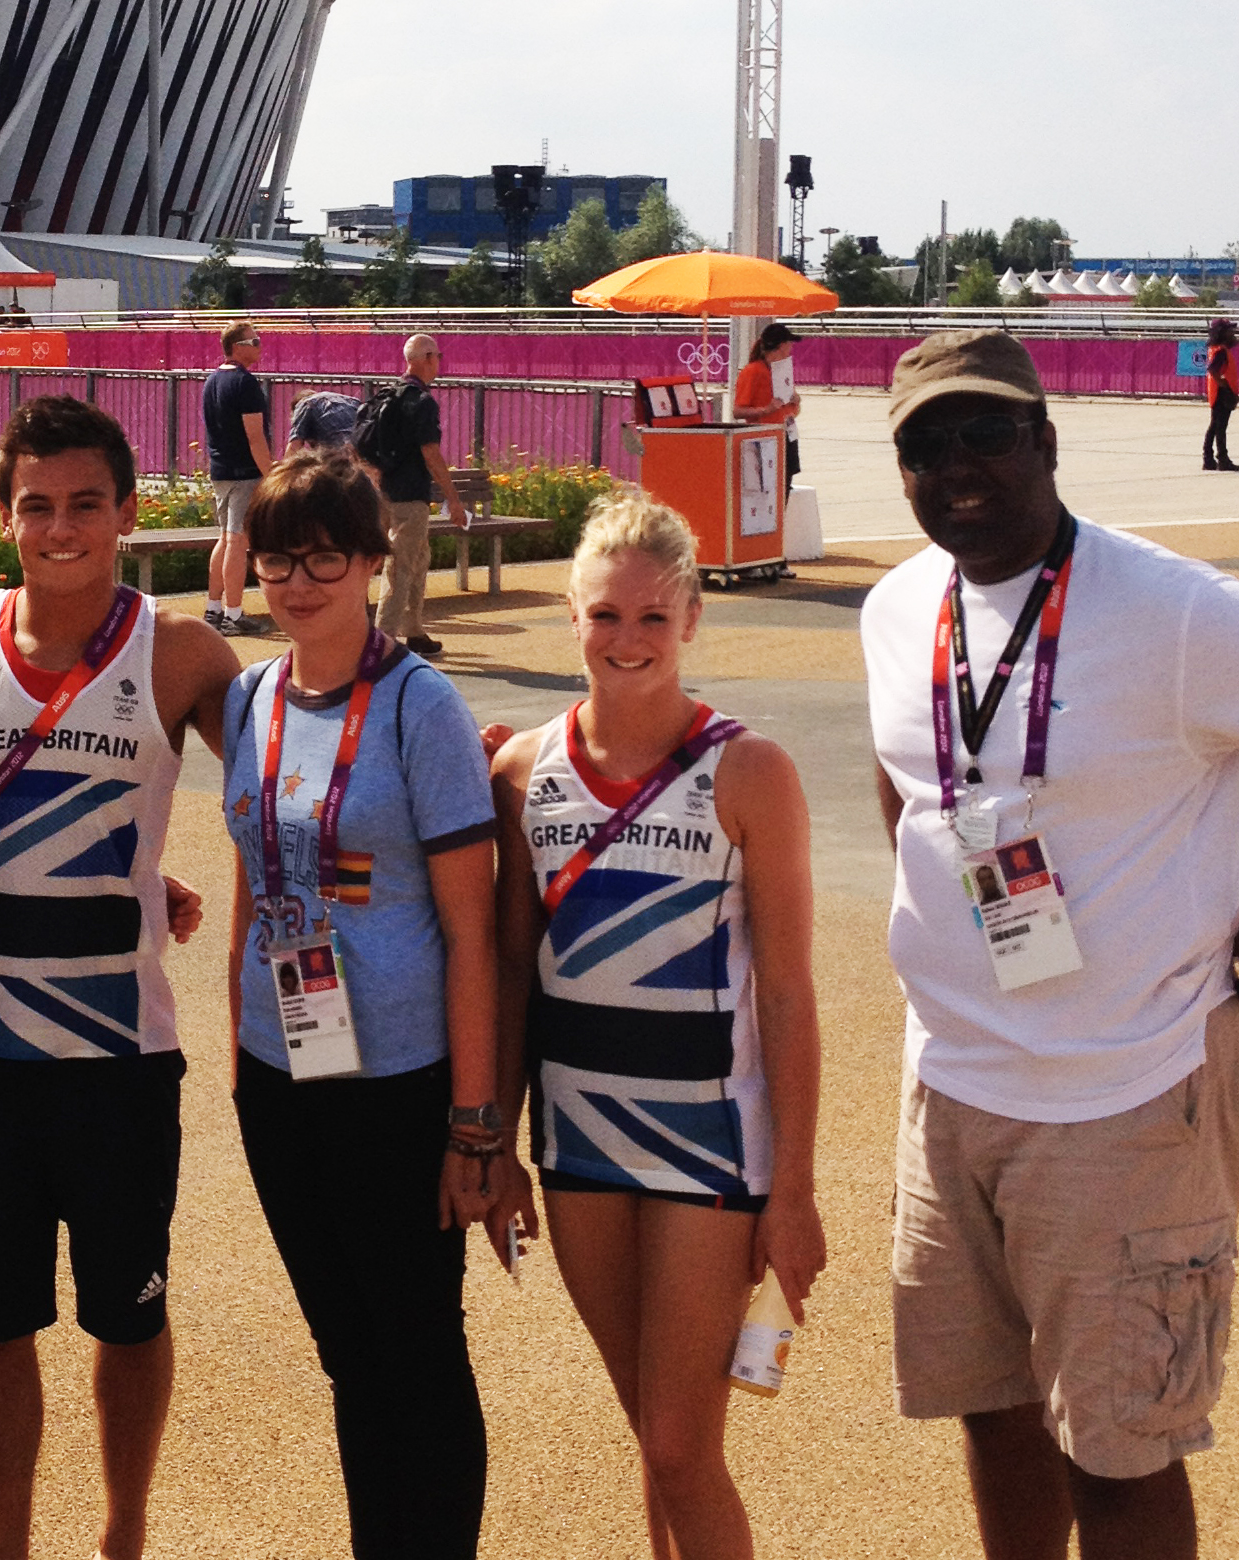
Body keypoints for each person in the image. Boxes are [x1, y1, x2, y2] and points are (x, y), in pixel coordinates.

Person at [862, 329, 1239, 1560]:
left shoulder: (1167, 608)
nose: (958, 465)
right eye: (925, 444)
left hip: (1122, 1096)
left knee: (1118, 1454)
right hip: (949, 1085)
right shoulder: (897, 604)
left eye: (987, 433)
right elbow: (910, 785)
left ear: (1045, 444)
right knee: (993, 1418)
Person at [0, 396, 239, 1560]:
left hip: (122, 1057)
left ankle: (121, 1536)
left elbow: (285, 792)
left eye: (85, 504)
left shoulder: (185, 650)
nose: (62, 527)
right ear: (4, 517)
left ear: (127, 511)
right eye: (36, 505)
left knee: (126, 1315)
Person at [487, 491, 826, 1560]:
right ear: (571, 616)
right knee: (649, 1427)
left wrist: (795, 1190)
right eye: (601, 615)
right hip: (578, 1138)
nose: (623, 640)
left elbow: (785, 990)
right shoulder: (518, 771)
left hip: (707, 1146)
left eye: (648, 617)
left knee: (681, 1442)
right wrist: (491, 1142)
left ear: (689, 620)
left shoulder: (748, 771)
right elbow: (507, 972)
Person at [221, 450, 502, 1560]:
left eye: (323, 559)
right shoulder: (250, 694)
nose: (296, 584)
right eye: (278, 559)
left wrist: (475, 1125)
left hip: (396, 1081)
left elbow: (471, 934)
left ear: (372, 563)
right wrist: (235, 1041)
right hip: (279, 1074)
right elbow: (252, 871)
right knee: (346, 1350)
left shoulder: (418, 708)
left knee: (418, 1348)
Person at [359, 334, 470, 659]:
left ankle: (414, 630)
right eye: (437, 356)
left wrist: (374, 474)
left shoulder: (386, 396)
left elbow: (358, 442)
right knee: (402, 565)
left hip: (385, 494)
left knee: (418, 558)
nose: (439, 362)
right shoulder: (422, 403)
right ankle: (382, 641)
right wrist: (453, 498)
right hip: (410, 496)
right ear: (425, 358)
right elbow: (431, 454)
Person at [202, 321, 273, 638]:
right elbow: (255, 437)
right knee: (236, 541)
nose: (259, 346)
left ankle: (214, 609)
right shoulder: (245, 384)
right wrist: (271, 476)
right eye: (254, 341)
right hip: (245, 473)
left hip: (220, 470)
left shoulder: (212, 381)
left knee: (225, 538)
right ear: (237, 347)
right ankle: (234, 615)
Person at [732, 321, 803, 493]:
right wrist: (765, 410)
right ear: (781, 346)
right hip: (765, 437)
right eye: (789, 346)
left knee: (784, 487)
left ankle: (780, 519)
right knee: (771, 490)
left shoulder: (781, 372)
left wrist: (796, 402)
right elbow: (738, 411)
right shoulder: (752, 372)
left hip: (786, 434)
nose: (790, 350)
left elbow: (792, 411)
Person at [1202, 319, 1239, 471]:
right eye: (1229, 330)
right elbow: (1213, 370)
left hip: (1218, 392)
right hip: (1221, 393)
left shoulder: (1218, 349)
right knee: (1220, 427)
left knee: (1215, 426)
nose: (1232, 333)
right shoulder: (1220, 351)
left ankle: (1208, 458)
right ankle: (1222, 458)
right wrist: (1224, 384)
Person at [287, 389, 361, 456]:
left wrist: (281, 469)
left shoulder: (305, 404)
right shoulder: (351, 402)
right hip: (364, 454)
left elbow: (293, 449)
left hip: (340, 455)